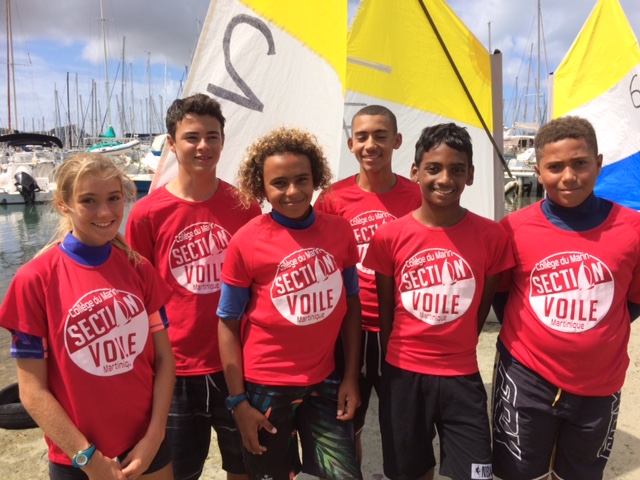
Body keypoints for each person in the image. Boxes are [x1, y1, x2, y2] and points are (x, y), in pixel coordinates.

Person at [0, 153, 176, 480]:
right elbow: (32, 390)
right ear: (63, 204)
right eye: (89, 201)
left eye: (114, 198)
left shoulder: (139, 269)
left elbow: (165, 359)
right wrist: (87, 457)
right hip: (77, 457)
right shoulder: (34, 279)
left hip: (146, 446)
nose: (105, 212)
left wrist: (155, 436)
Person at [491, 116, 640, 480]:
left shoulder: (633, 229)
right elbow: (503, 297)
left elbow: (631, 302)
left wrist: (590, 330)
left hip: (599, 384)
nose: (569, 177)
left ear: (599, 163)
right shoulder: (512, 228)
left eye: (580, 163)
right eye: (555, 167)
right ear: (538, 172)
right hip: (525, 380)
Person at [363, 123, 514, 480]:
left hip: (462, 374)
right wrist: (398, 359)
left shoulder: (492, 236)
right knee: (410, 472)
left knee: (476, 472)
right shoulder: (389, 236)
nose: (445, 179)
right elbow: (387, 311)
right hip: (403, 374)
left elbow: (482, 307)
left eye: (456, 170)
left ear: (470, 175)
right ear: (415, 172)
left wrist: (458, 344)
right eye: (434, 168)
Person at [125, 93, 261, 480]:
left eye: (212, 136)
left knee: (246, 466)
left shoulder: (245, 206)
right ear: (172, 143)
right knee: (179, 472)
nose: (203, 146)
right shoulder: (147, 213)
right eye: (192, 137)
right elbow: (137, 297)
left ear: (223, 140)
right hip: (175, 368)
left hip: (236, 364)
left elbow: (257, 285)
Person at [217, 127, 363, 480]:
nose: (293, 191)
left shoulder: (340, 231)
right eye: (279, 183)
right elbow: (227, 322)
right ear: (261, 187)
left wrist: (350, 377)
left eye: (302, 179)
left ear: (316, 179)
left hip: (326, 379)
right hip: (265, 385)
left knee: (342, 474)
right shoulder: (246, 241)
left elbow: (351, 305)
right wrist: (238, 402)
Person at [314, 104, 421, 463]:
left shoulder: (416, 196)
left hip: (401, 327)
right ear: (351, 144)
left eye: (380, 135)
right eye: (362, 137)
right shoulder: (332, 198)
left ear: (397, 141)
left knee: (403, 425)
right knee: (347, 423)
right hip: (350, 327)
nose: (370, 144)